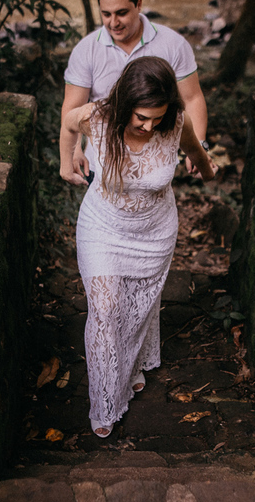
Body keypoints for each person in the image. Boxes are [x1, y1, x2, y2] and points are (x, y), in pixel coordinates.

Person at [60, 57, 215, 438]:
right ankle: (104, 403)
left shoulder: (175, 122)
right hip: (103, 227)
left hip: (154, 233)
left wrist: (207, 169)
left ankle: (130, 369)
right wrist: (70, 156)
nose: (149, 126)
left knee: (136, 308)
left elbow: (195, 151)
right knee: (106, 308)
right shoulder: (96, 117)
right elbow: (66, 122)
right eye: (142, 118)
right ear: (125, 103)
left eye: (157, 118)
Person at [62, 0, 210, 180]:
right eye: (106, 14)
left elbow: (192, 98)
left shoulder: (173, 45)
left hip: (156, 164)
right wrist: (75, 150)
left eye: (121, 12)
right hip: (102, 164)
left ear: (138, 4)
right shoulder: (86, 49)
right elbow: (73, 107)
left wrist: (199, 145)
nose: (113, 23)